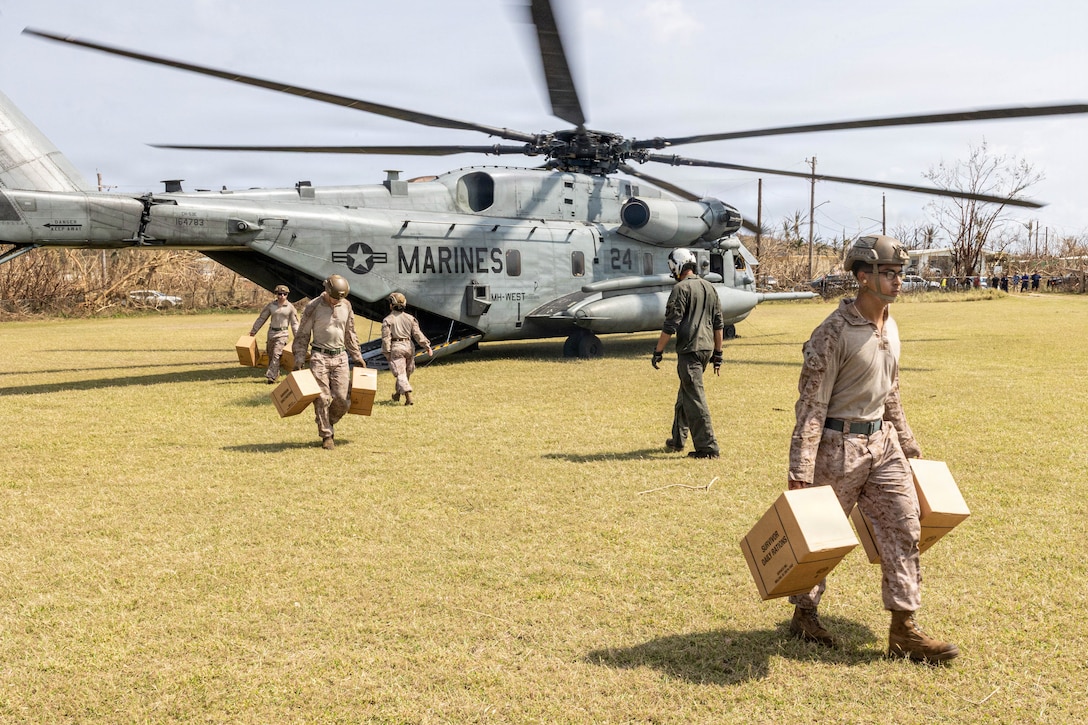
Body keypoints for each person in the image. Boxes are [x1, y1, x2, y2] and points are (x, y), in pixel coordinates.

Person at [785, 234, 959, 664]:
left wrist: (908, 444)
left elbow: (891, 392)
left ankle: (904, 629)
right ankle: (804, 613)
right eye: (889, 274)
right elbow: (811, 404)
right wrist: (801, 469)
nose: (899, 281)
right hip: (836, 448)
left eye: (900, 273)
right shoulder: (832, 333)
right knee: (822, 539)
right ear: (864, 277)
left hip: (883, 444)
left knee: (905, 526)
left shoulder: (891, 324)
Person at [651, 248, 724, 460]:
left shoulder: (680, 289)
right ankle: (677, 439)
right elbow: (719, 323)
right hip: (706, 349)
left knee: (695, 397)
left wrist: (658, 351)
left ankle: (708, 447)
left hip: (690, 350)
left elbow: (670, 325)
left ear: (677, 266)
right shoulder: (710, 287)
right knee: (686, 392)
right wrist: (718, 354)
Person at [292, 275, 367, 450]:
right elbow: (302, 335)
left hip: (340, 357)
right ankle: (327, 435)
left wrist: (357, 357)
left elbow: (350, 333)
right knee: (322, 398)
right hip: (319, 357)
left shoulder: (346, 305)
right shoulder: (313, 307)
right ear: (326, 291)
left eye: (340, 298)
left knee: (343, 399)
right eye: (334, 297)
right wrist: (299, 358)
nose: (337, 301)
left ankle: (327, 421)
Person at [381, 292, 433, 406]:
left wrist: (387, 352)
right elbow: (417, 334)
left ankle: (409, 398)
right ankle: (397, 394)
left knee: (401, 374)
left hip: (396, 347)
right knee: (406, 372)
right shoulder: (410, 318)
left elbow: (386, 338)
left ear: (391, 305)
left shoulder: (388, 320)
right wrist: (427, 346)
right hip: (409, 346)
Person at [249, 284, 300, 383]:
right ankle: (275, 373)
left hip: (283, 334)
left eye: (284, 294)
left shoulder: (290, 307)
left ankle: (271, 377)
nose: (282, 296)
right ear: (276, 294)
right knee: (271, 355)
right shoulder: (271, 306)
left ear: (287, 295)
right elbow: (262, 318)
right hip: (271, 333)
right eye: (280, 294)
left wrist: (297, 336)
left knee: (277, 354)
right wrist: (253, 331)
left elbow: (294, 323)